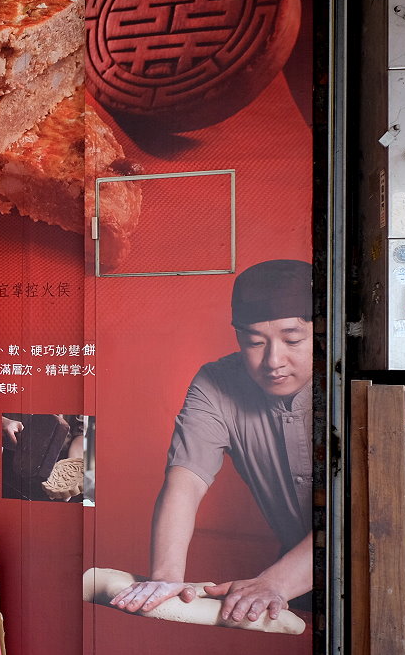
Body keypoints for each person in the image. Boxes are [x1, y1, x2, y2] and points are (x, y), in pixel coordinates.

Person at [111, 259, 312, 624]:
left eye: (292, 339)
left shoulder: (352, 383)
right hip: (296, 576)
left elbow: (363, 512)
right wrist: (165, 578)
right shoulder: (217, 383)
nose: (273, 360)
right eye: (254, 342)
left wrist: (275, 582)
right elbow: (186, 480)